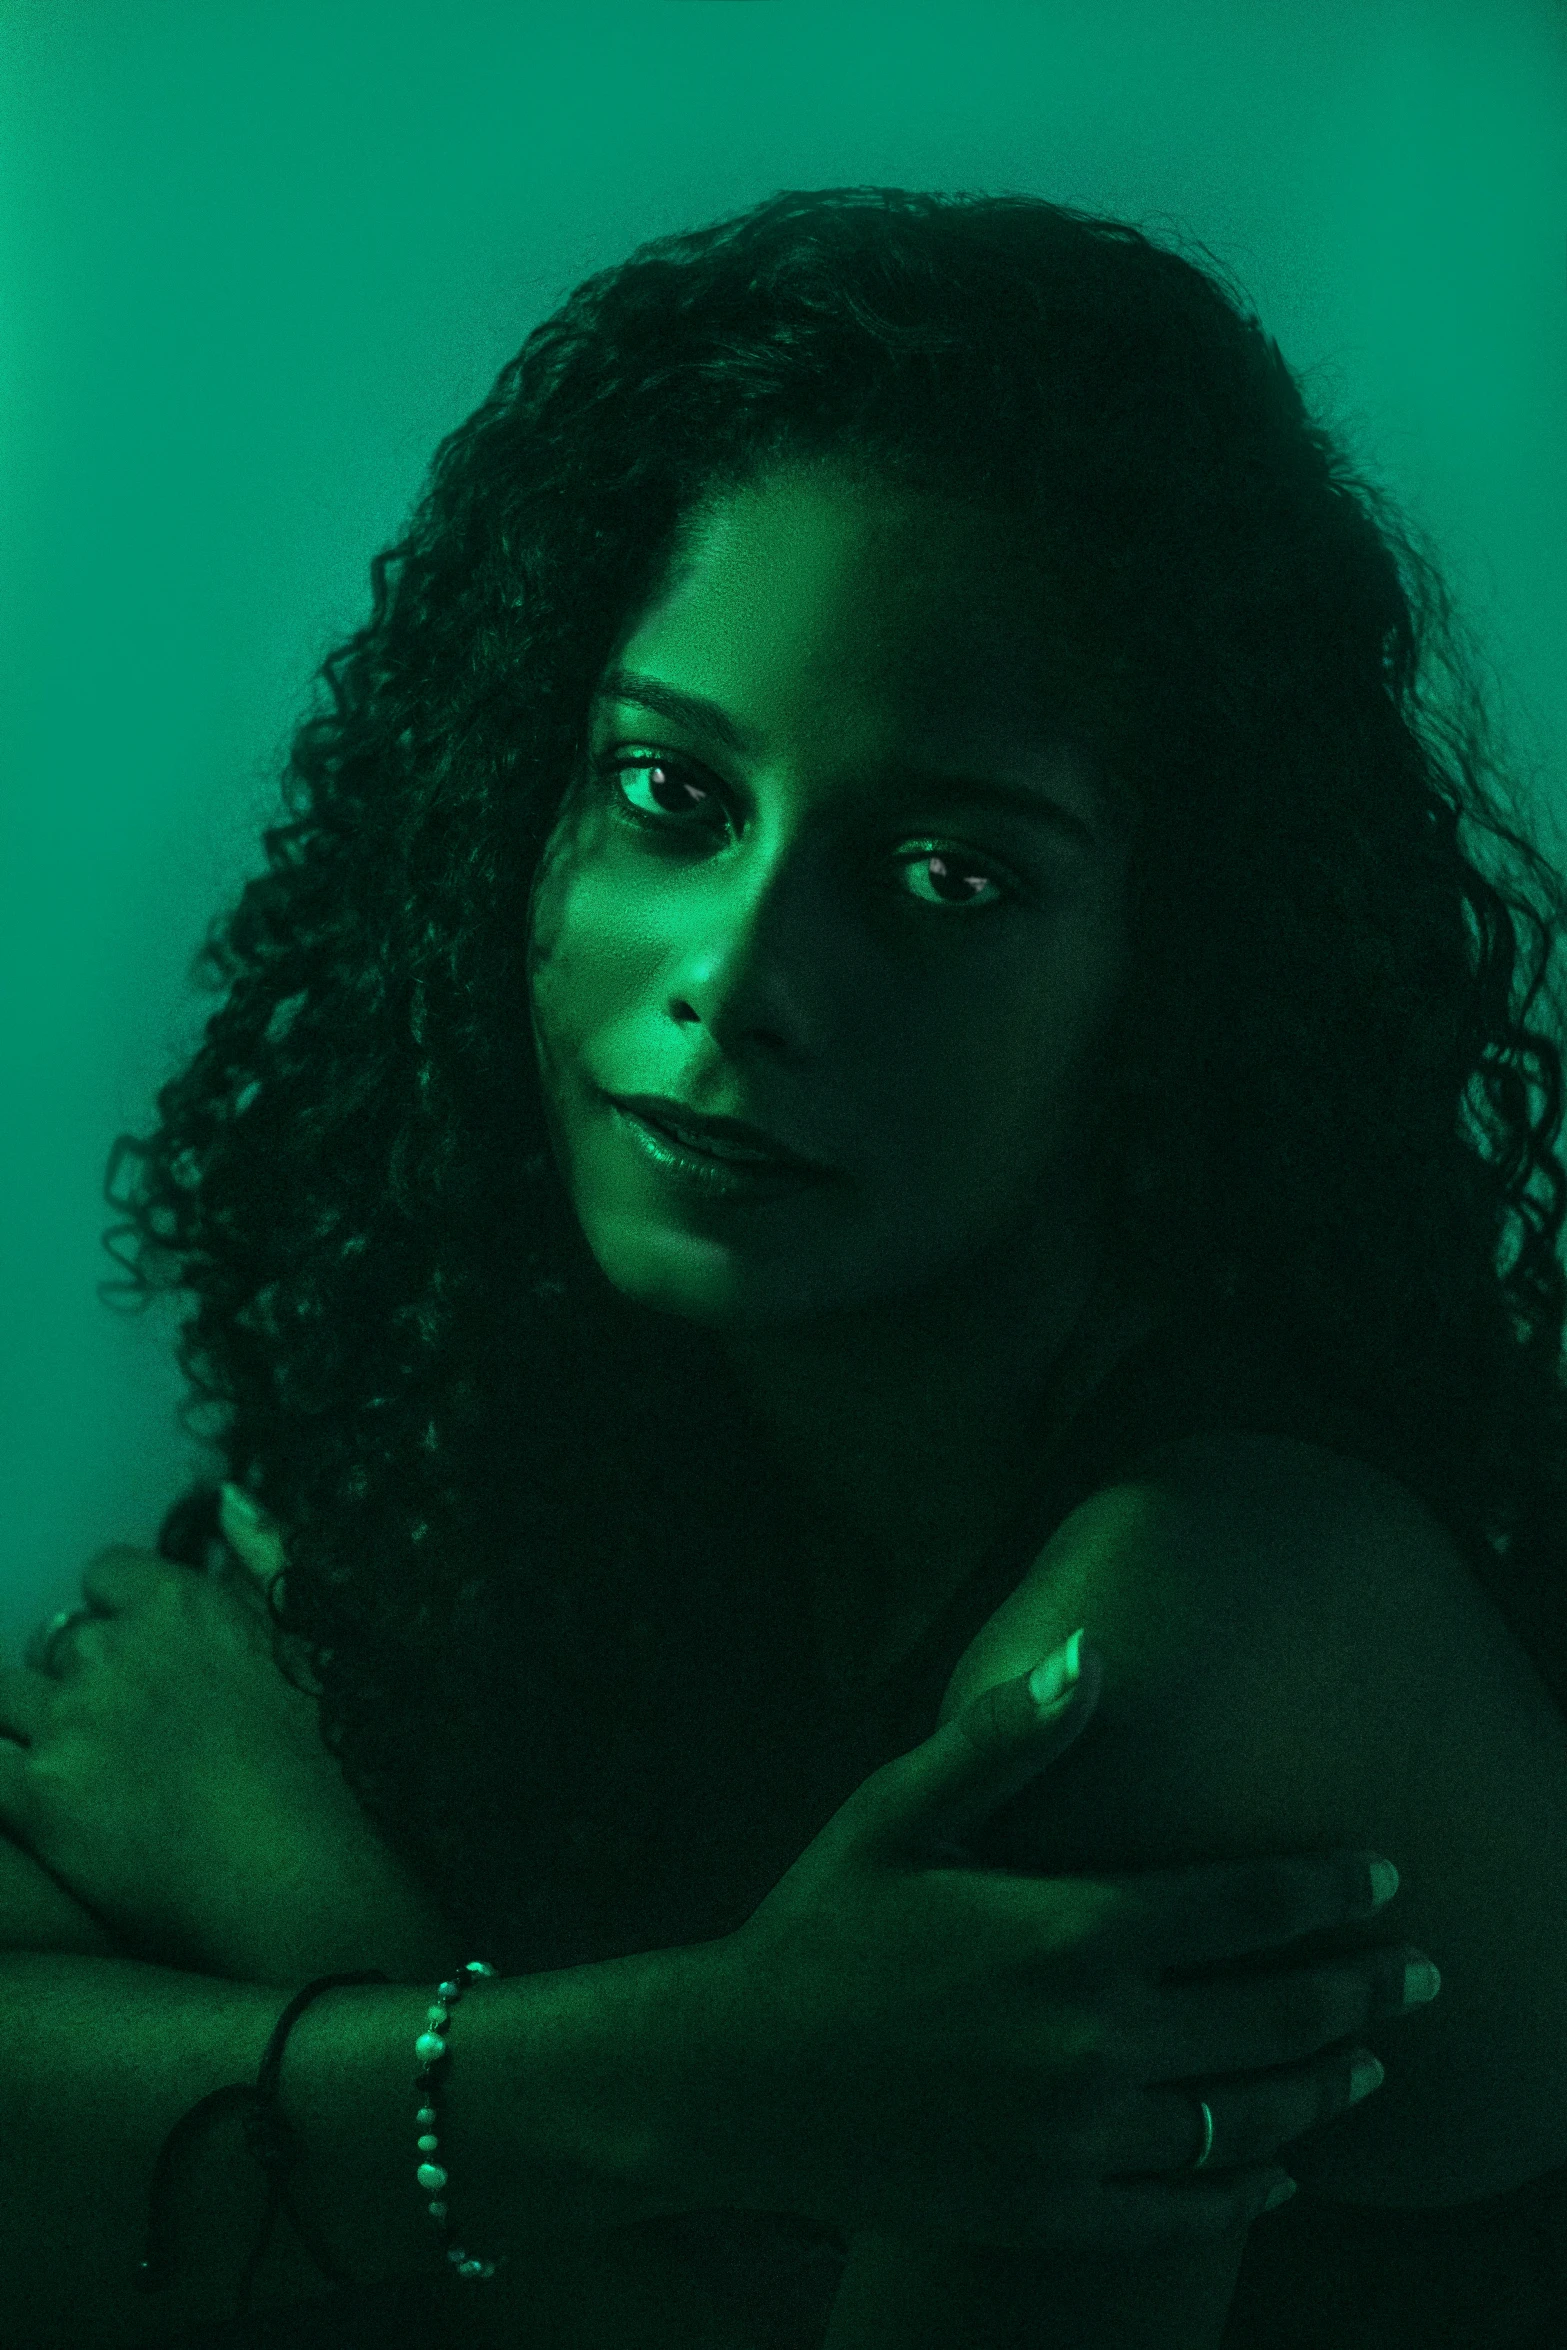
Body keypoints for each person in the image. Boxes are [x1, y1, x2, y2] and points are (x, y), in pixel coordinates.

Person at [16, 186, 1563, 2345]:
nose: (738, 981)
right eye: (666, 790)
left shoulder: (1207, 1631)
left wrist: (332, 1925)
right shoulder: (498, 1442)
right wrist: (679, 2071)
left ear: (1180, 969)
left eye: (944, 871)